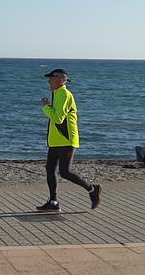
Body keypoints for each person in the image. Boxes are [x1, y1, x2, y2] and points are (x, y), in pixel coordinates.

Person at [37, 68, 101, 212]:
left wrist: (46, 107)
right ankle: (53, 202)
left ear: (61, 80)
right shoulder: (57, 93)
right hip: (55, 140)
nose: (49, 81)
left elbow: (58, 118)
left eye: (51, 78)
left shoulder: (65, 94)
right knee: (50, 169)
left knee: (65, 171)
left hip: (66, 139)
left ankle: (92, 189)